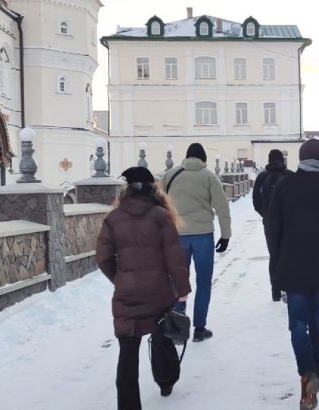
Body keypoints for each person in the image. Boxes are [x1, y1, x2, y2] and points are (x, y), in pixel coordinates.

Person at [96, 167, 192, 410]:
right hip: (158, 292)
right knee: (161, 338)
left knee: (127, 354)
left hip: (126, 295)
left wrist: (120, 279)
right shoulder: (161, 216)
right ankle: (166, 380)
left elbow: (102, 258)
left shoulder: (113, 219)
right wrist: (182, 288)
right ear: (153, 189)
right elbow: (174, 258)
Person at [267, 139, 319, 410]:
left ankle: (307, 374)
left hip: (292, 264)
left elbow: (272, 226)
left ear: (301, 158)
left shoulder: (285, 186)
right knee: (317, 317)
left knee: (297, 323)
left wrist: (278, 257)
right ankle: (317, 365)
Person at [161, 143, 232, 343]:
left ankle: (177, 325)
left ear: (186, 157)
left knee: (177, 281)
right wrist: (225, 235)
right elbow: (222, 207)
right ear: (203, 159)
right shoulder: (209, 177)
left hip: (177, 236)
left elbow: (159, 203)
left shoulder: (170, 175)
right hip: (203, 236)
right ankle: (199, 329)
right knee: (203, 283)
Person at [253, 149, 294, 301]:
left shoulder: (262, 177)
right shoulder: (290, 175)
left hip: (270, 223)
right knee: (288, 254)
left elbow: (256, 201)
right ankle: (288, 288)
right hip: (289, 222)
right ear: (282, 160)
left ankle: (276, 291)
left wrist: (265, 214)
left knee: (274, 255)